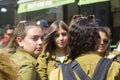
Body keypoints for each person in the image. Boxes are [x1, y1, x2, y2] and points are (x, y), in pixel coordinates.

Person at [67, 15, 120, 79]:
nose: (102, 43)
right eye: (99, 39)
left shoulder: (59, 73)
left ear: (70, 42)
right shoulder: (115, 68)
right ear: (97, 40)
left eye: (105, 41)